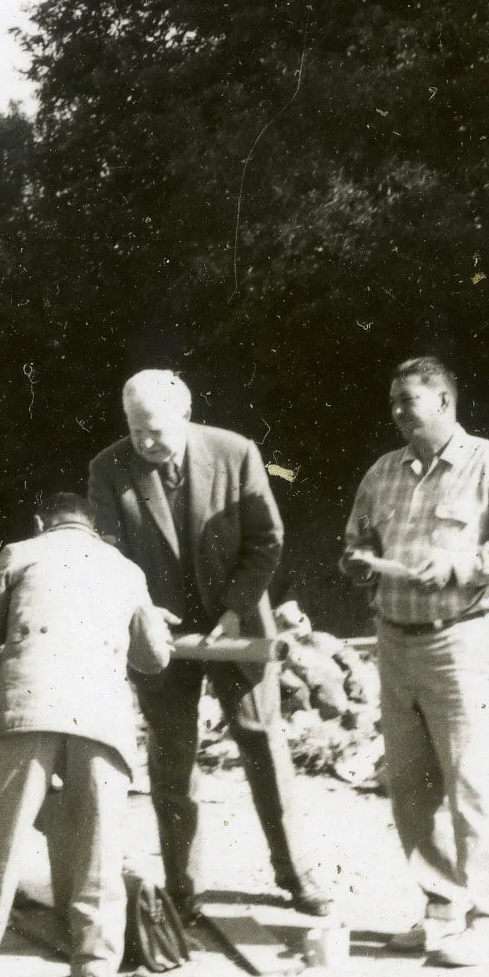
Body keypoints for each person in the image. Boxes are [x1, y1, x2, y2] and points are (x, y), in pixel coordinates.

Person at [88, 369, 332, 919]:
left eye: (155, 430)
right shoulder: (108, 469)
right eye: (135, 429)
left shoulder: (236, 453)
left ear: (185, 412)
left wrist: (235, 608)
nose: (145, 442)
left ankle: (296, 873)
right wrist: (143, 610)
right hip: (158, 633)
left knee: (262, 743)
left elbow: (266, 539)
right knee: (172, 758)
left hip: (238, 628)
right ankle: (184, 886)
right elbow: (105, 549)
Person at [343, 358, 489, 966]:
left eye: (409, 399)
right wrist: (357, 561)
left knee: (469, 780)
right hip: (394, 639)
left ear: (445, 402)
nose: (398, 411)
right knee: (409, 785)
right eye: (393, 400)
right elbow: (357, 540)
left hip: (458, 640)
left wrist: (461, 565)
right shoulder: (382, 472)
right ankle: (440, 908)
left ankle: (487, 915)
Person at [0, 491, 171, 977]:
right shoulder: (125, 568)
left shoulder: (21, 553)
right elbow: (154, 659)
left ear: (42, 521)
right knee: (99, 848)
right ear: (93, 528)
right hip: (101, 717)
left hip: (27, 708)